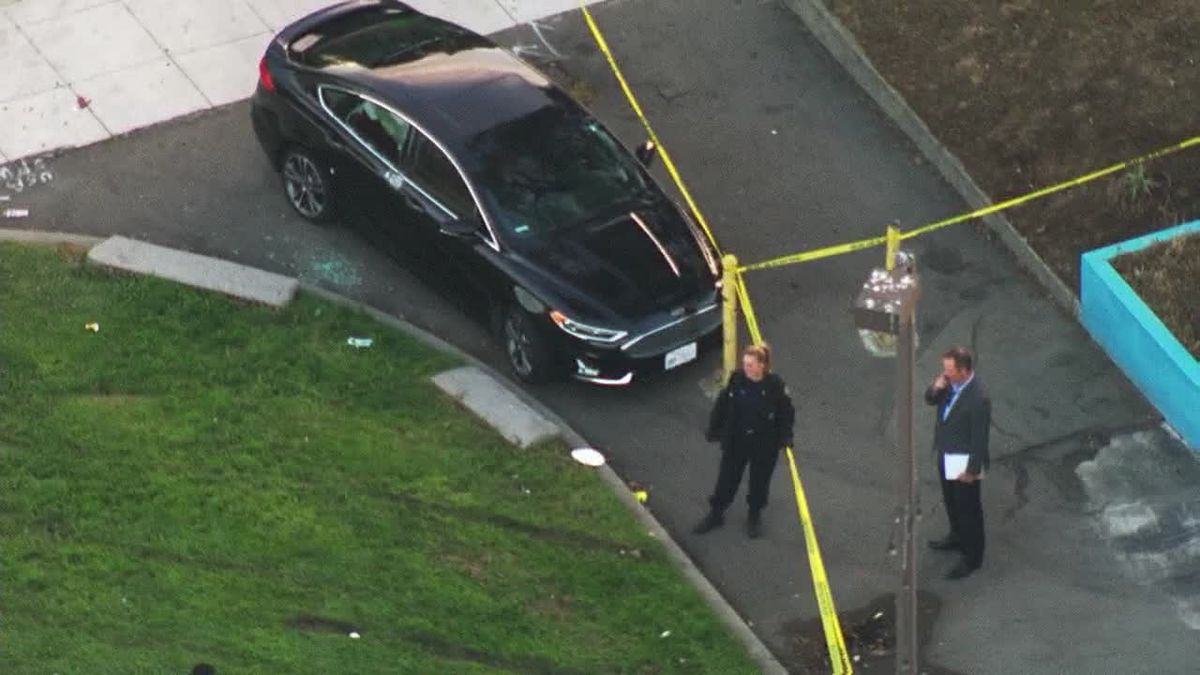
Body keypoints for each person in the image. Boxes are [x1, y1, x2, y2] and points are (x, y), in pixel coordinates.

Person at [694, 343, 795, 539]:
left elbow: (786, 413)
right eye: (745, 363)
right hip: (737, 442)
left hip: (764, 445)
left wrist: (786, 436)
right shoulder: (737, 380)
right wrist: (714, 428)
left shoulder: (775, 386)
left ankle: (754, 516)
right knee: (726, 480)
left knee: (759, 483)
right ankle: (716, 514)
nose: (746, 368)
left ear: (762, 365)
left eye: (750, 364)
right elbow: (723, 404)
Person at [924, 346, 991, 580]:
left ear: (964, 371)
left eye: (949, 370)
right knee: (951, 501)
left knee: (969, 509)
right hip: (946, 452)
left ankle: (973, 557)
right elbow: (930, 399)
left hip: (963, 461)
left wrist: (972, 469)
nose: (945, 374)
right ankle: (956, 536)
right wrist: (937, 386)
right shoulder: (949, 384)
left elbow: (979, 438)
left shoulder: (978, 398)